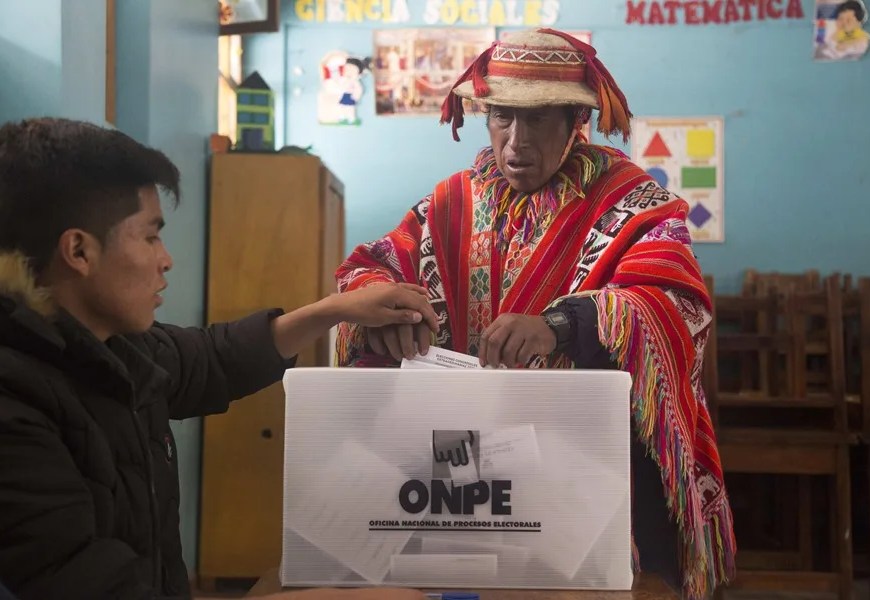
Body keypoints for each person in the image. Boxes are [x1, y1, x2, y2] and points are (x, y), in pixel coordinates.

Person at [335, 29, 735, 599]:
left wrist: (561, 326)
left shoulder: (632, 202)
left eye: (539, 119)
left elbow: (676, 303)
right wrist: (390, 313)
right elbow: (368, 269)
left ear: (577, 121)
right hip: (466, 471)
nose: (515, 140)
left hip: (591, 467)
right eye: (501, 117)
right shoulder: (451, 203)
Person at [0, 118, 431, 600]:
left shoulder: (112, 344)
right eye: (149, 237)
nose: (166, 260)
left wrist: (334, 310)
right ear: (78, 250)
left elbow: (213, 359)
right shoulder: (15, 405)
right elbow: (85, 580)